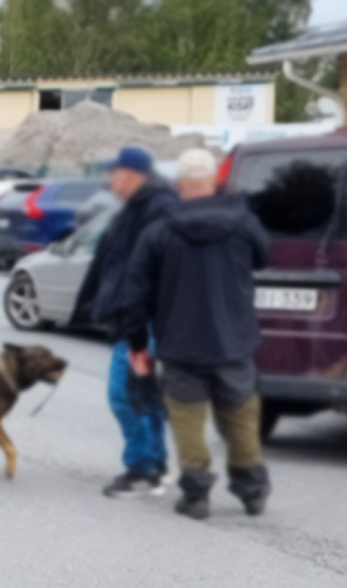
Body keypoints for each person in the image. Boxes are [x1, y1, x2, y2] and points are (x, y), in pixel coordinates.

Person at [114, 147, 272, 520]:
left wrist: (137, 343)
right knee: (240, 415)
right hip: (234, 340)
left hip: (180, 343)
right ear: (215, 181)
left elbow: (134, 294)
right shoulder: (244, 223)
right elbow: (263, 257)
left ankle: (196, 495)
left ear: (180, 184)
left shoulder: (159, 231)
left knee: (187, 419)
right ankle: (252, 490)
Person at [71, 145, 180, 498]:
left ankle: (143, 467)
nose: (109, 179)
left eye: (113, 172)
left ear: (131, 175)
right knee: (141, 392)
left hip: (143, 320)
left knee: (126, 393)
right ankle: (153, 462)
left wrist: (135, 321)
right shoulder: (136, 209)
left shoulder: (157, 210)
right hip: (134, 317)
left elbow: (146, 273)